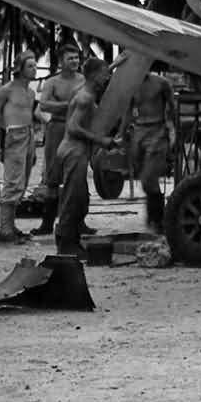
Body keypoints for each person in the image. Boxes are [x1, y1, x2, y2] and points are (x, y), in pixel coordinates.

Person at [56, 59, 115, 258]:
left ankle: (71, 241)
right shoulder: (85, 97)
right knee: (73, 199)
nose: (107, 77)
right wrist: (100, 140)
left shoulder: (82, 89)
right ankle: (66, 244)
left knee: (80, 198)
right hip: (74, 150)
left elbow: (95, 70)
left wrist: (116, 64)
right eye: (105, 74)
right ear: (95, 75)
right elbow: (73, 127)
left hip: (72, 150)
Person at [31, 42, 84, 235]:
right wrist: (67, 105)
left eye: (77, 58)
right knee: (53, 178)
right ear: (61, 61)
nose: (74, 61)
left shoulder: (83, 80)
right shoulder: (53, 82)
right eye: (70, 58)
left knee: (77, 178)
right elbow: (43, 105)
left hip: (77, 130)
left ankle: (78, 222)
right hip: (56, 129)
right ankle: (46, 223)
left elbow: (89, 103)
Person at [0, 54, 40, 243]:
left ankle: (12, 225)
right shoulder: (6, 91)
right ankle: (5, 229)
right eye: (30, 66)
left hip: (28, 134)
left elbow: (30, 117)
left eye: (35, 65)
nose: (34, 69)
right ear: (20, 68)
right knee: (13, 182)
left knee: (22, 183)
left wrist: (33, 146)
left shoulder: (31, 93)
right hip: (14, 136)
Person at [125, 64, 176, 233]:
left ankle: (158, 218)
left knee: (149, 177)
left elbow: (173, 108)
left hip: (157, 130)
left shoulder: (161, 83)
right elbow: (127, 110)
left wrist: (174, 131)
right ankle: (155, 216)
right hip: (139, 131)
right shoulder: (131, 84)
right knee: (146, 180)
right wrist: (121, 131)